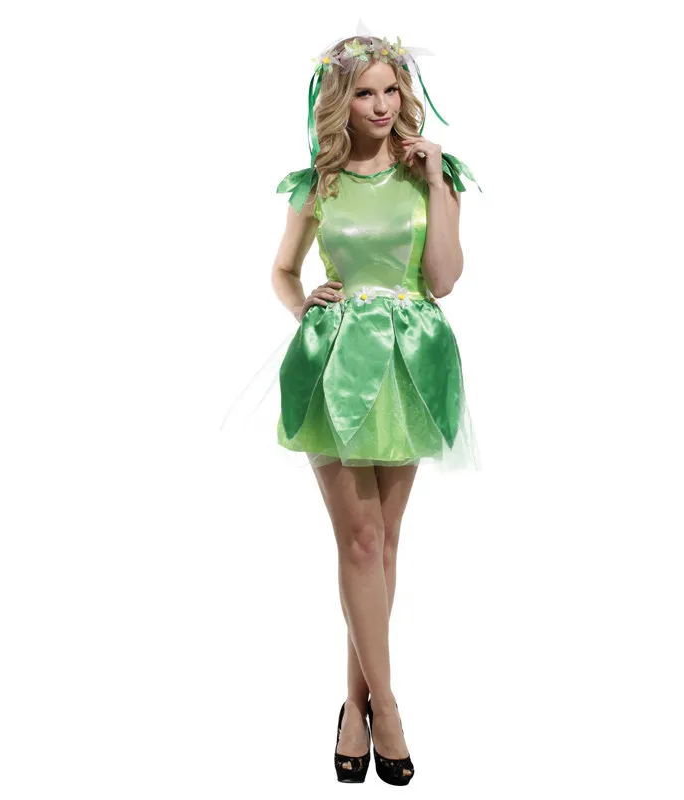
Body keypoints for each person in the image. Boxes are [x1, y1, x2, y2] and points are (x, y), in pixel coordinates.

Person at [271, 33, 481, 785]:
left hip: (409, 362)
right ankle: (386, 709)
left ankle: (353, 706)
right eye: (364, 93)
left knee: (385, 543)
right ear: (340, 100)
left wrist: (435, 180)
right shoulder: (317, 185)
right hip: (336, 363)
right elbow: (282, 270)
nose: (382, 105)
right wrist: (305, 303)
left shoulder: (432, 174)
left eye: (391, 90)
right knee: (360, 541)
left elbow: (444, 279)